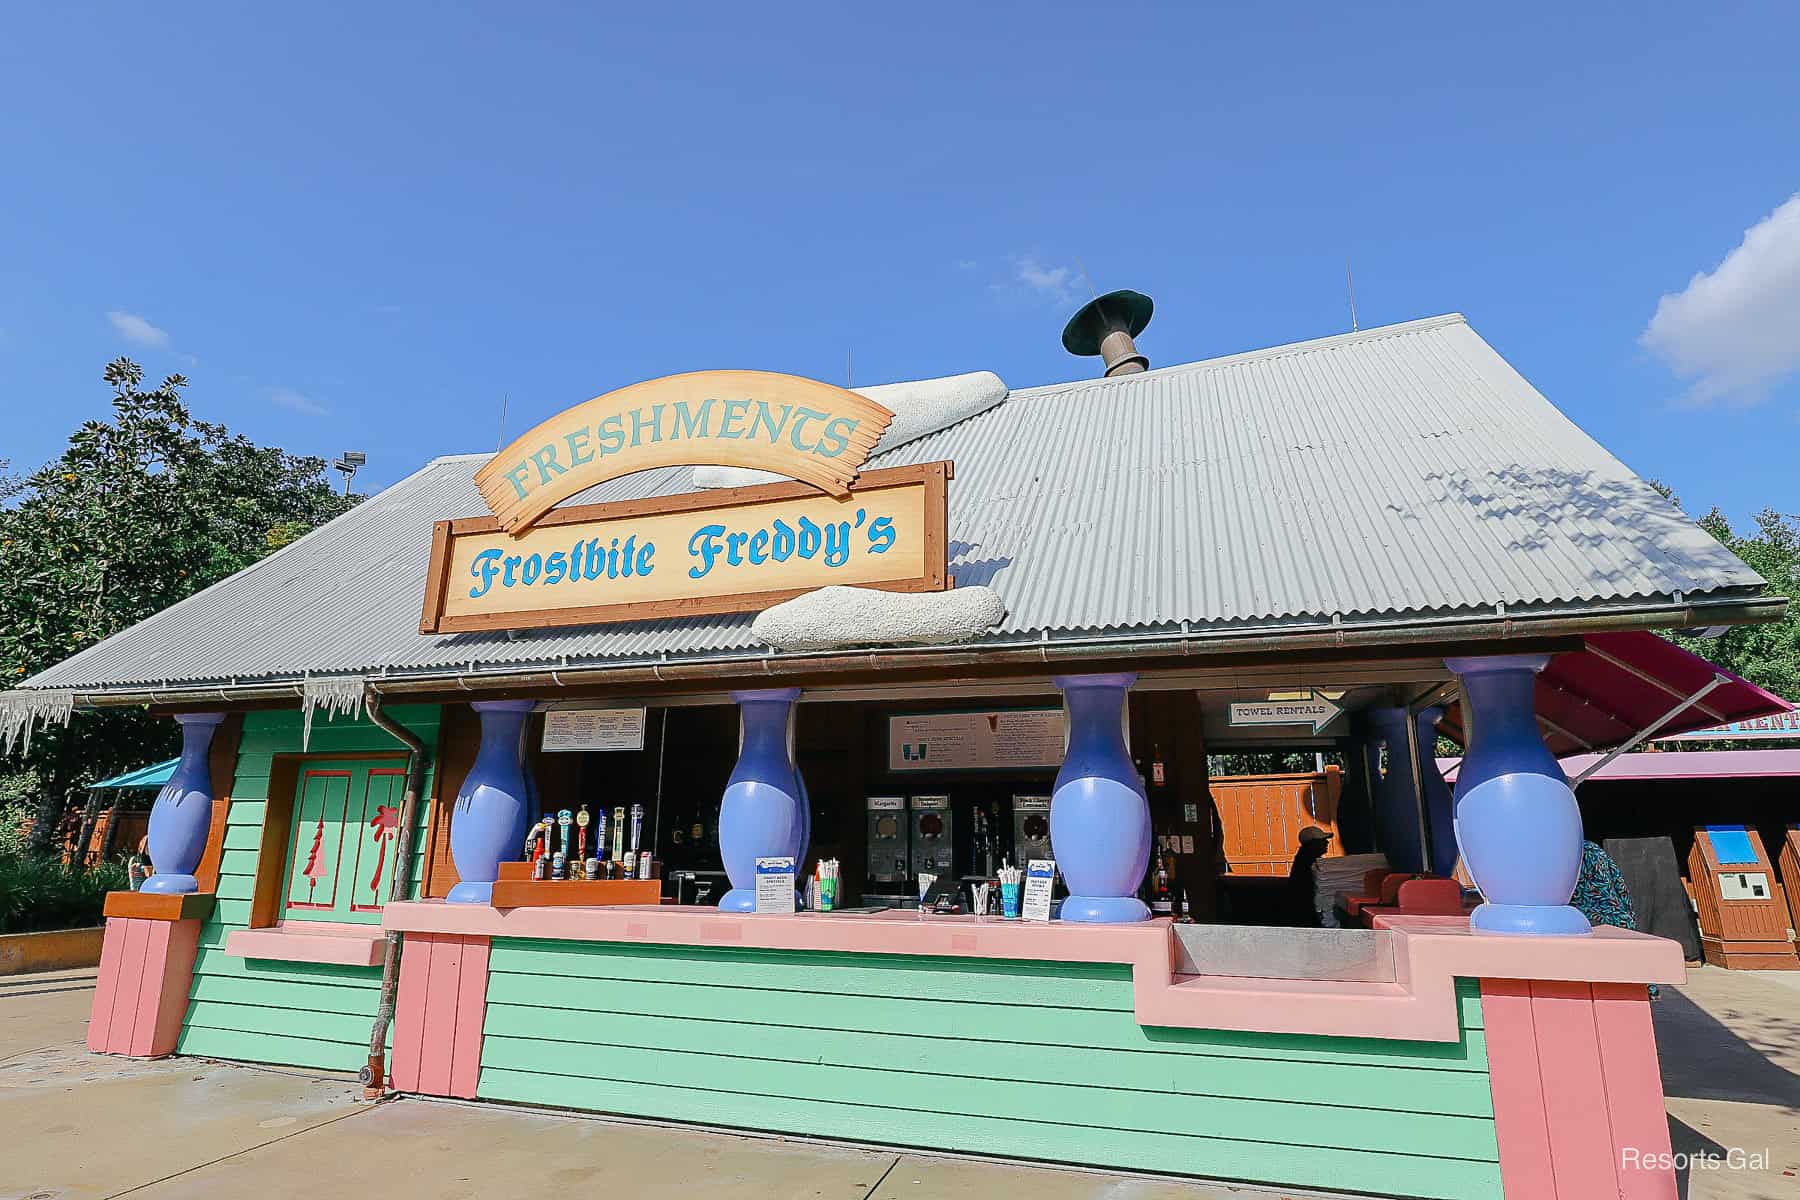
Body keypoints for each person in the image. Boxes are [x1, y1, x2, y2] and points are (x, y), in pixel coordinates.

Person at [1572, 839, 1659, 997]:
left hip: (1588, 922)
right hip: (1612, 920)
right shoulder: (1591, 849)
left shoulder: (1578, 852)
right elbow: (1621, 891)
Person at [1285, 826, 1333, 926]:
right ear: (1312, 844)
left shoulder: (1305, 859)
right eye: (1322, 840)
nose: (1327, 843)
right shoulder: (1309, 864)